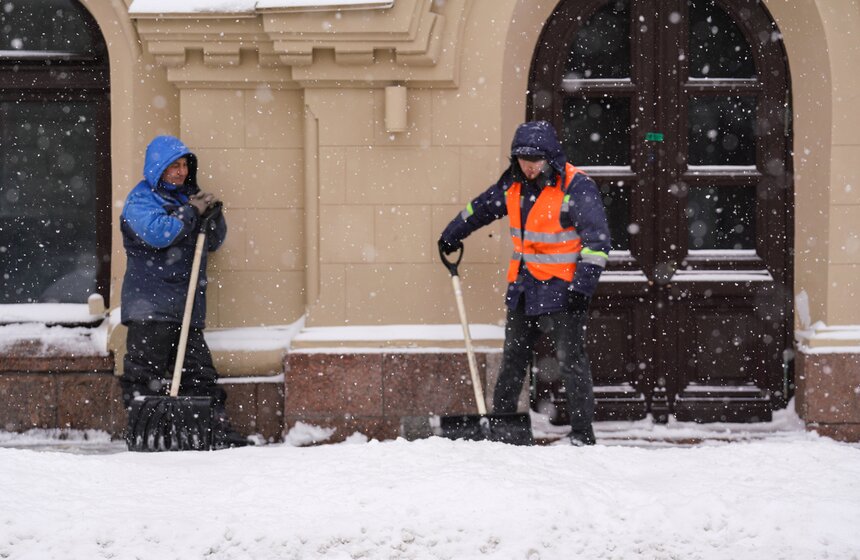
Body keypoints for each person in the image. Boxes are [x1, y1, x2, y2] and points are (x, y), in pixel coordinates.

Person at [438, 121, 610, 445]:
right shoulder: (512, 185)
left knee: (570, 362)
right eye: (523, 160)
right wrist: (451, 235)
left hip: (564, 291)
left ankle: (582, 435)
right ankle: (504, 428)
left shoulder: (575, 187)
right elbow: (481, 208)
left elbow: (597, 243)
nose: (529, 167)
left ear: (551, 157)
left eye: (535, 161)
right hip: (524, 288)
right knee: (513, 361)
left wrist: (582, 289)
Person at [118, 135, 249, 448]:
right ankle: (146, 432)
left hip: (186, 306)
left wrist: (213, 219)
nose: (179, 172)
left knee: (198, 373)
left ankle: (207, 431)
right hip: (149, 306)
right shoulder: (141, 201)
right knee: (144, 374)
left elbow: (212, 243)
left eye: (183, 166)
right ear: (157, 168)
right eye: (172, 166)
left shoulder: (185, 199)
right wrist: (191, 212)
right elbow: (159, 233)